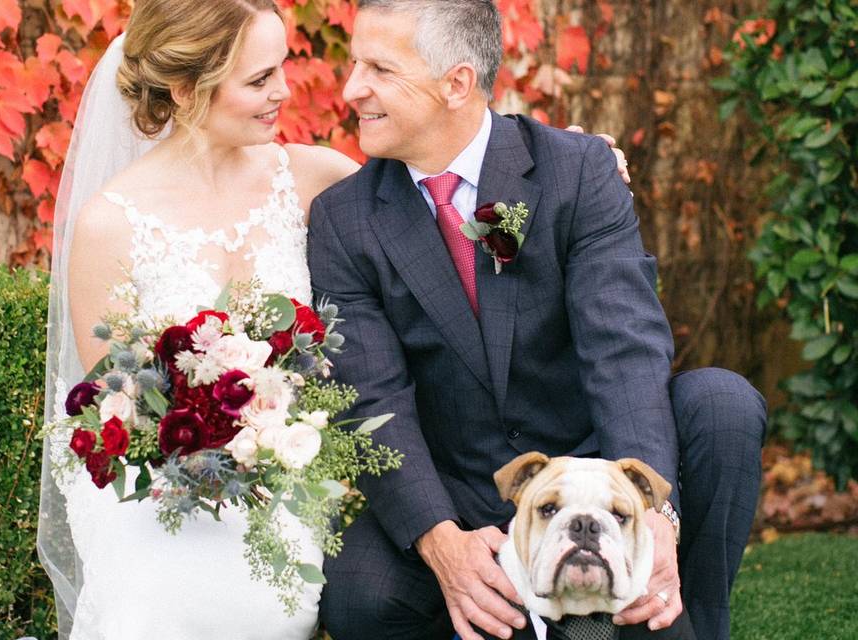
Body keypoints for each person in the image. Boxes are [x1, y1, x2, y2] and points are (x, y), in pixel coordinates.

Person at [308, 2, 766, 640]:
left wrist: (653, 514)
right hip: (462, 487)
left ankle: (678, 617)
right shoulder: (343, 219)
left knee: (723, 403)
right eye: (356, 63)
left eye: (380, 68)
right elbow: (371, 396)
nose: (352, 87)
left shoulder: (576, 171)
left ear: (457, 83)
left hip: (593, 470)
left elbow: (624, 350)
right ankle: (497, 605)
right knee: (361, 597)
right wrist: (441, 540)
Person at [37, 1, 359, 638]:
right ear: (185, 89)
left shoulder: (312, 176)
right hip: (165, 491)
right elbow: (118, 406)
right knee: (156, 599)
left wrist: (571, 164)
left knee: (275, 603)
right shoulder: (112, 222)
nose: (284, 92)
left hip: (287, 473)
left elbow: (437, 208)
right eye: (259, 79)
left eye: (281, 68)